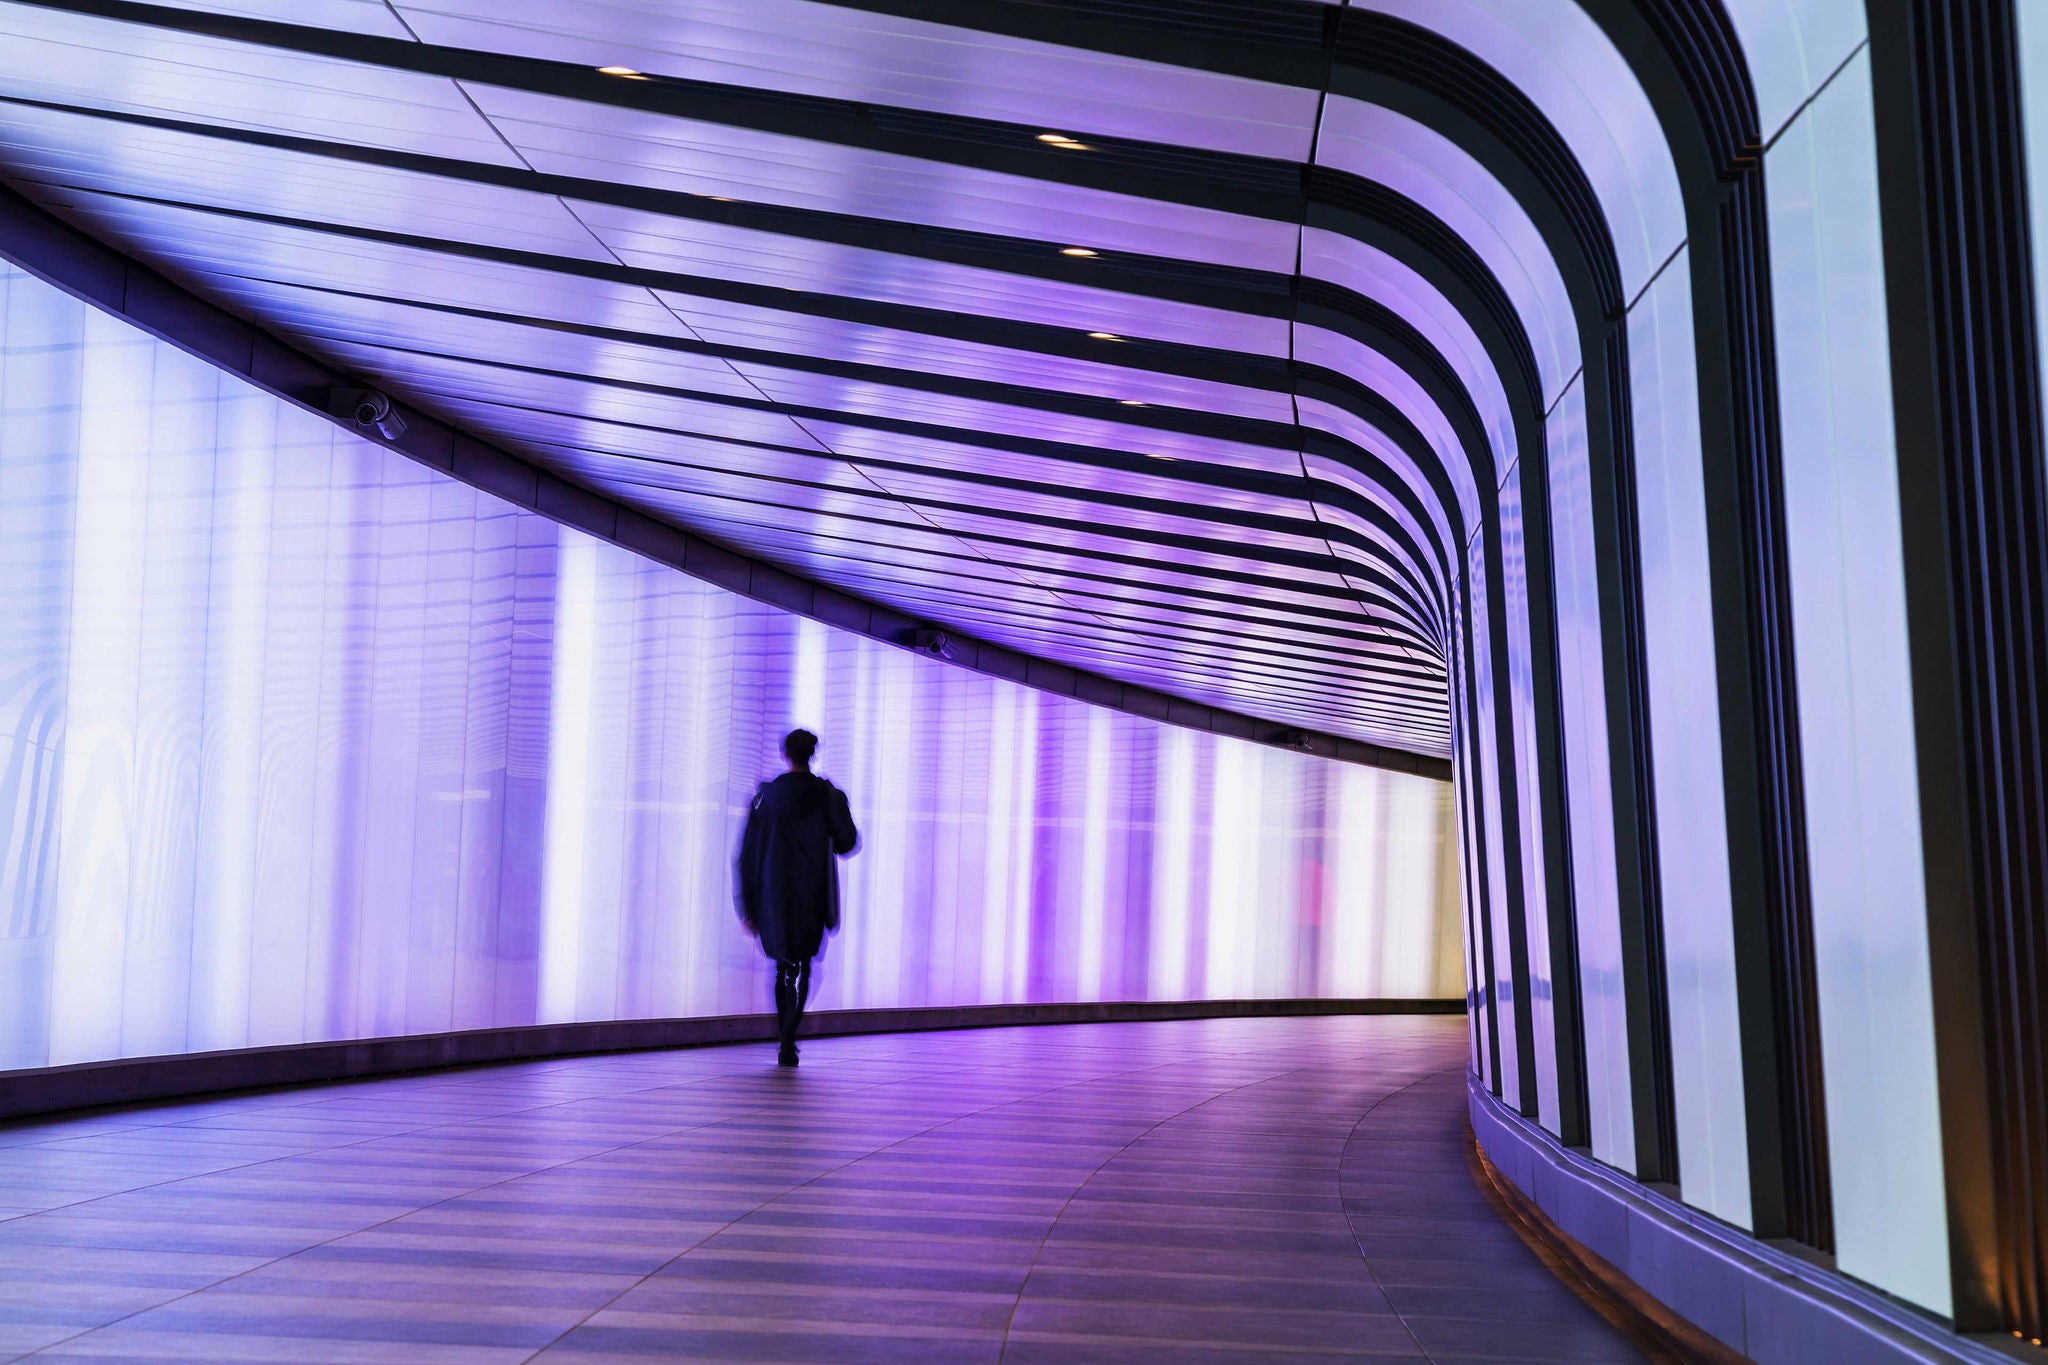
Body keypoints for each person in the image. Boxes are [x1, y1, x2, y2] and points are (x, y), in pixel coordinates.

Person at [736, 729, 859, 1067]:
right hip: (812, 892)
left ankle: (784, 1038)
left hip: (772, 894)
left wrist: (747, 906)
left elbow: (745, 856)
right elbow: (848, 842)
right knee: (803, 965)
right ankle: (788, 1041)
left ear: (784, 754)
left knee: (780, 968)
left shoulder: (764, 798)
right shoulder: (826, 795)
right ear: (813, 754)